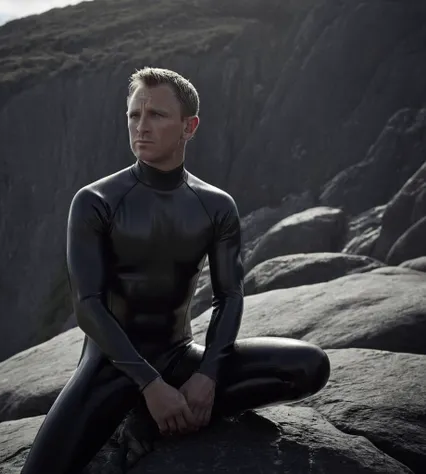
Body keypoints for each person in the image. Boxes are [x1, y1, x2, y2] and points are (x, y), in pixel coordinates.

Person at [20, 67, 330, 474]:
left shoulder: (215, 205)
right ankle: (145, 410)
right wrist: (151, 387)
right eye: (134, 115)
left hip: (180, 358)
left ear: (190, 126)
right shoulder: (95, 200)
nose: (141, 127)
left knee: (309, 367)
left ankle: (148, 420)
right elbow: (88, 305)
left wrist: (207, 376)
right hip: (109, 368)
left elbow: (230, 296)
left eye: (156, 116)